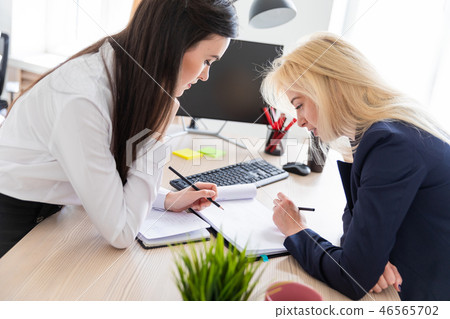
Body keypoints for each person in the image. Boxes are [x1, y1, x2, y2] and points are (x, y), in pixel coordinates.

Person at [0, 0, 238, 258]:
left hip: (51, 210)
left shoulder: (122, 73)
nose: (205, 76)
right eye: (207, 61)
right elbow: (121, 232)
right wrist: (157, 132)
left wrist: (165, 199)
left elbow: (104, 178)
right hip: (16, 222)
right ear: (174, 44)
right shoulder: (83, 99)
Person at [261, 32, 450, 301]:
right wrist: (370, 259)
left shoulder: (391, 144)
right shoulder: (378, 132)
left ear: (329, 88)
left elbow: (351, 278)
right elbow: (353, 223)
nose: (300, 121)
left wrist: (296, 230)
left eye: (300, 105)